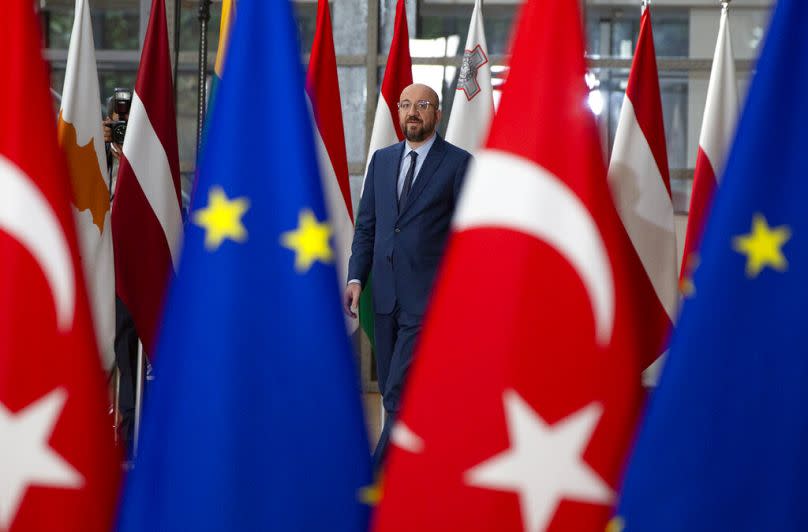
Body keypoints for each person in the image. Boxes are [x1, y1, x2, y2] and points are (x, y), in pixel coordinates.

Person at [344, 83, 472, 469]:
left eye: (421, 105)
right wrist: (355, 280)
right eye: (405, 105)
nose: (411, 112)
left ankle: (375, 473)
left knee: (398, 388)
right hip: (384, 297)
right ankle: (422, 467)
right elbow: (367, 228)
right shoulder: (381, 161)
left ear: (438, 114)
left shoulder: (458, 163)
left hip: (429, 299)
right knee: (392, 390)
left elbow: (467, 231)